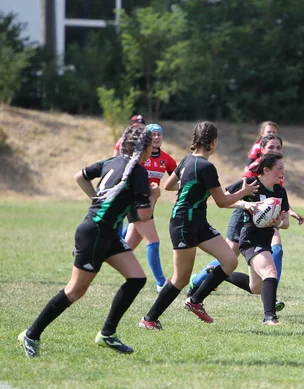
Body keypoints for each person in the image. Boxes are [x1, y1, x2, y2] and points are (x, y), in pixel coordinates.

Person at [17, 125, 160, 358]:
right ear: (142, 149)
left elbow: (80, 176)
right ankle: (31, 334)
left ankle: (107, 334)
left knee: (136, 278)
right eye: (149, 147)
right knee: (75, 291)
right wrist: (154, 196)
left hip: (106, 232)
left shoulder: (111, 162)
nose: (150, 152)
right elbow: (143, 216)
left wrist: (98, 199)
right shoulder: (138, 173)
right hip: (95, 234)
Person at [138, 121, 258, 329]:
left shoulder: (187, 160)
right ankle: (149, 319)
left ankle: (195, 301)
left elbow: (168, 185)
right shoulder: (206, 166)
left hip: (199, 222)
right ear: (213, 141)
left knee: (230, 261)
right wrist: (244, 193)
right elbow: (221, 202)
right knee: (181, 278)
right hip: (184, 224)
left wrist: (187, 185)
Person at [188, 134, 304, 311]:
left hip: (265, 224)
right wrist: (246, 203)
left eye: (278, 148)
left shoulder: (277, 173)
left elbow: (275, 200)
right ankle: (199, 281)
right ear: (262, 150)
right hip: (243, 220)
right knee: (228, 259)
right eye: (271, 147)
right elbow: (224, 198)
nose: (275, 150)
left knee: (274, 254)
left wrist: (285, 215)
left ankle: (269, 290)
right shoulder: (254, 174)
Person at [219, 153, 290, 325]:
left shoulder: (281, 192)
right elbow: (222, 199)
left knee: (256, 287)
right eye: (279, 168)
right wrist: (244, 203)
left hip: (265, 239)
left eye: (283, 168)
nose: (283, 171)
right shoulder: (251, 184)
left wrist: (278, 222)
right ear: (266, 170)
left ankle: (220, 275)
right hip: (250, 238)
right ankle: (269, 317)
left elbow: (286, 223)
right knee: (270, 273)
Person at [121, 123, 177, 292]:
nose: (157, 138)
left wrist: (185, 187)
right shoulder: (138, 157)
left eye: (159, 134)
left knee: (124, 248)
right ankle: (161, 283)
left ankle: (93, 253)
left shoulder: (166, 159)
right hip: (137, 204)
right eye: (153, 135)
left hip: (149, 205)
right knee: (153, 241)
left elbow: (176, 181)